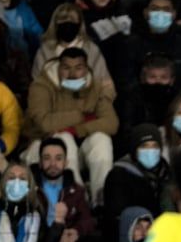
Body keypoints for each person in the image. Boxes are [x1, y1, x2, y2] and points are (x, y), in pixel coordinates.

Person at [24, 46, 117, 206]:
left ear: (86, 69)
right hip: (42, 151)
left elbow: (111, 123)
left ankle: (101, 201)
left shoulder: (94, 86)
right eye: (66, 68)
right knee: (63, 138)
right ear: (59, 68)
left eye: (78, 68)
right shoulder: (41, 86)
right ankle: (75, 198)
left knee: (101, 139)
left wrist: (78, 129)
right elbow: (45, 123)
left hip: (79, 148)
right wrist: (81, 116)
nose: (73, 74)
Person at [32, 137, 97, 242]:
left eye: (58, 158)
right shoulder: (29, 188)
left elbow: (87, 219)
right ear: (40, 162)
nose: (53, 164)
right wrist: (54, 235)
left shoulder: (76, 189)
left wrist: (75, 231)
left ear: (66, 163)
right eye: (47, 158)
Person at [102, 124, 171, 242]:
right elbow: (116, 217)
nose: (150, 151)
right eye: (144, 146)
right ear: (135, 149)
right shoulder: (119, 175)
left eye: (155, 146)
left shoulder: (167, 173)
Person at [30, 3, 115, 99]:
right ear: (55, 24)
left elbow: (107, 87)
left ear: (79, 23)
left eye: (72, 20)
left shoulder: (91, 50)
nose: (67, 23)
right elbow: (37, 87)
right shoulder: (44, 52)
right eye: (63, 20)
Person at [126, 0, 181, 92]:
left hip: (177, 102)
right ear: (146, 12)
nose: (160, 13)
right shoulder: (131, 45)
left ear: (174, 14)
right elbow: (126, 82)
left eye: (166, 9)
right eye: (155, 9)